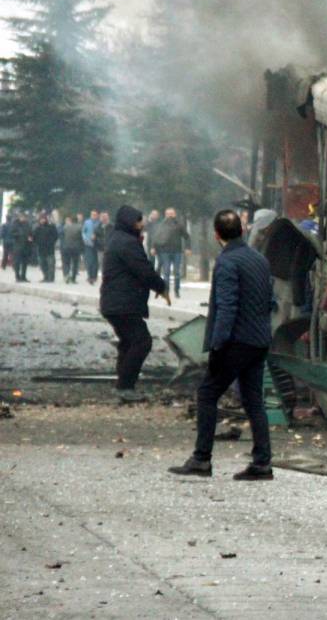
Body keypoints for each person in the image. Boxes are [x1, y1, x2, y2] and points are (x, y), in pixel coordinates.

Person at [169, 210, 275, 481]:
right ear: (241, 230)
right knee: (254, 401)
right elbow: (269, 302)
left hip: (236, 342)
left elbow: (227, 307)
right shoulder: (259, 259)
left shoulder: (227, 263)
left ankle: (201, 459)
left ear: (217, 235)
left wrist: (217, 346)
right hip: (259, 340)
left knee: (207, 394)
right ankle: (262, 463)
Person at [99, 206, 170, 399]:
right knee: (141, 342)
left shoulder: (117, 238)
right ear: (129, 222)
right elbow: (144, 270)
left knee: (128, 342)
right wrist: (161, 287)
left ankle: (123, 384)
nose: (142, 224)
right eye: (138, 221)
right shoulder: (127, 243)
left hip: (115, 302)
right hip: (123, 303)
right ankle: (125, 387)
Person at [153, 207, 191, 299]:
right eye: (168, 214)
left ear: (175, 214)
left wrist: (188, 248)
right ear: (165, 215)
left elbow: (187, 237)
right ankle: (166, 290)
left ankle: (177, 290)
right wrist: (154, 248)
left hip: (177, 251)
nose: (170, 215)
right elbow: (156, 237)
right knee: (166, 272)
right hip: (164, 251)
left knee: (177, 272)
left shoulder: (179, 225)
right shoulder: (161, 225)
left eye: (172, 213)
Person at [33, 213, 58, 282]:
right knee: (42, 264)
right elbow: (34, 237)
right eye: (41, 219)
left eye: (44, 219)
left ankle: (51, 278)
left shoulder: (51, 227)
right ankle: (45, 276)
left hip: (50, 249)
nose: (42, 220)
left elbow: (55, 236)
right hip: (41, 249)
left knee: (51, 264)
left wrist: (51, 242)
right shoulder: (37, 228)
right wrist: (37, 243)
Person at [60, 213, 84, 284]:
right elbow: (81, 238)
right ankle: (73, 278)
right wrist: (82, 247)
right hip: (76, 248)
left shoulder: (66, 227)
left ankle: (66, 274)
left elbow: (62, 236)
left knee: (66, 262)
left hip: (66, 247)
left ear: (71, 220)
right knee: (75, 263)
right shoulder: (79, 227)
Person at [10, 212, 33, 282]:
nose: (23, 218)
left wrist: (30, 237)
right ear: (19, 217)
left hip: (26, 246)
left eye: (24, 217)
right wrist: (20, 235)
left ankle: (23, 276)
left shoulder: (27, 224)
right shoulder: (15, 224)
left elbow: (30, 233)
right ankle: (17, 276)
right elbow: (12, 233)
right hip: (18, 246)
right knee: (17, 262)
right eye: (22, 217)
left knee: (25, 262)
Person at [82, 210, 101, 284]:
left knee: (95, 262)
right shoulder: (87, 222)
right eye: (92, 215)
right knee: (89, 261)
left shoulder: (99, 223)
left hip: (97, 244)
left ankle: (94, 276)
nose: (94, 216)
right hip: (88, 244)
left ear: (97, 215)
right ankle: (89, 276)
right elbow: (83, 231)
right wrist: (85, 239)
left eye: (95, 215)